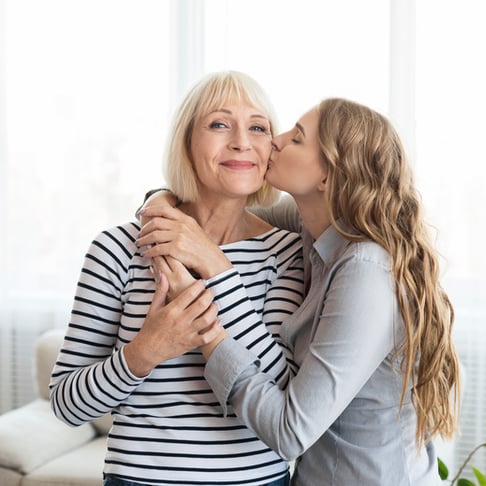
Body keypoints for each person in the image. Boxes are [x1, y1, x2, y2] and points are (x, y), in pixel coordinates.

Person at [137, 97, 461, 485]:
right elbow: (212, 211)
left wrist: (205, 324)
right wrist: (160, 201)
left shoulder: (365, 270)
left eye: (297, 138)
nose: (275, 139)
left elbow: (290, 431)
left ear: (326, 177)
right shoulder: (315, 227)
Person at [49, 71, 305, 486]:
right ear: (186, 142)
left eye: (258, 127)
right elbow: (66, 405)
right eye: (220, 124)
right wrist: (145, 351)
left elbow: (284, 395)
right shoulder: (116, 250)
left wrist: (217, 268)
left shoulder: (287, 253)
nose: (241, 140)